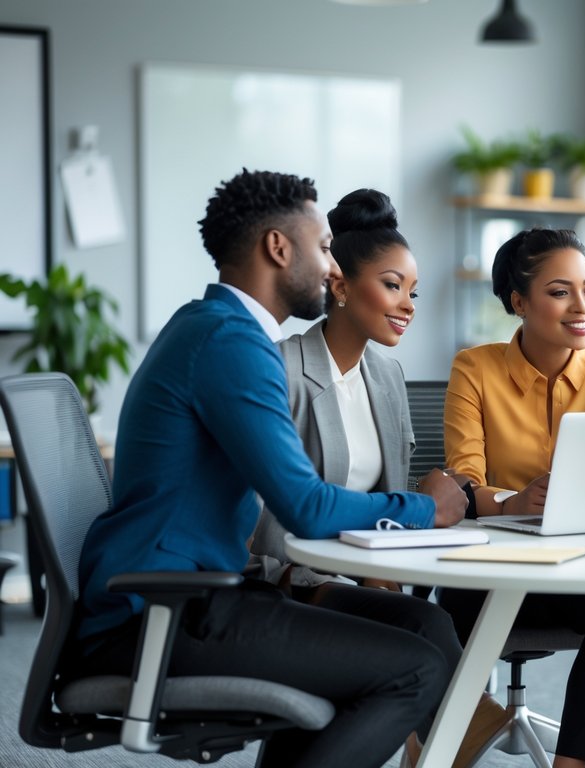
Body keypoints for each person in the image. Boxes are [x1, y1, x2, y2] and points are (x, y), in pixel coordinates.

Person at [75, 169, 471, 768]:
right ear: (278, 248)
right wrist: (427, 509)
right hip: (161, 615)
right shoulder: (231, 343)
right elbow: (305, 507)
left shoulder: (211, 327)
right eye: (325, 248)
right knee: (415, 669)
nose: (333, 268)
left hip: (194, 597)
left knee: (423, 629)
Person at [243, 188, 507, 767]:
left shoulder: (387, 376)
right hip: (290, 578)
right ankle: (454, 727)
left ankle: (447, 732)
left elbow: (384, 498)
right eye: (392, 285)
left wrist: (428, 503)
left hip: (365, 573)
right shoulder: (282, 367)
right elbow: (260, 508)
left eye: (414, 291)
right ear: (338, 285)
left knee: (425, 623)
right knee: (425, 635)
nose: (409, 304)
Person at [440, 227, 585, 768]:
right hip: (492, 566)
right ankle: (436, 744)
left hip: (582, 567)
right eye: (560, 291)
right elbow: (463, 481)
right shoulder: (474, 368)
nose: (582, 307)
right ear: (519, 302)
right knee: (449, 605)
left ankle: (573, 762)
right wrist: (512, 502)